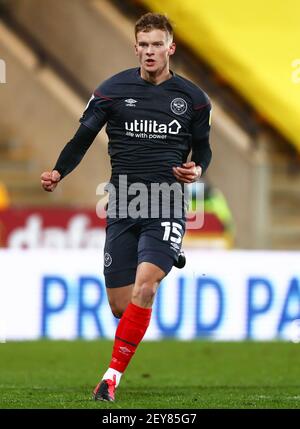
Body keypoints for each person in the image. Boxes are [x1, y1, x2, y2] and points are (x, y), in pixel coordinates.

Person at [41, 12, 212, 402]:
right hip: (123, 203)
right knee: (122, 307)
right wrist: (58, 171)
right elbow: (82, 137)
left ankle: (111, 377)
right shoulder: (112, 91)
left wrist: (198, 167)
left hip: (167, 201)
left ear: (171, 48)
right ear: (135, 47)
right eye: (144, 45)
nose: (151, 51)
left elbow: (203, 148)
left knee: (145, 284)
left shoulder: (194, 100)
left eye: (158, 44)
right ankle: (167, 257)